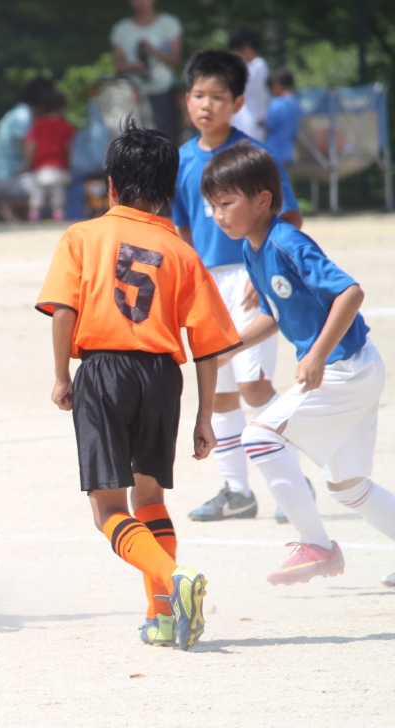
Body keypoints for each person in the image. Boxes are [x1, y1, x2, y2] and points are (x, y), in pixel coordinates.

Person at [36, 125, 241, 651]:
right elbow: (208, 344)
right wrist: (204, 417)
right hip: (161, 376)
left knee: (108, 509)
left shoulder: (82, 236)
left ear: (110, 185)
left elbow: (64, 310)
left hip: (104, 370)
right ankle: (164, 618)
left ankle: (173, 580)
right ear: (171, 190)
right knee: (149, 495)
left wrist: (61, 376)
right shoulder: (182, 252)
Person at [200, 145, 395, 588]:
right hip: (355, 368)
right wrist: (228, 348)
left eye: (226, 203)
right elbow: (274, 314)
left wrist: (317, 354)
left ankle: (317, 546)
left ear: (263, 200)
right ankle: (320, 543)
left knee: (259, 437)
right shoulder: (251, 249)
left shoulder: (287, 242)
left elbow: (349, 293)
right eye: (212, 205)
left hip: (346, 368)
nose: (218, 215)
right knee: (348, 486)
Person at [172, 50, 305, 524]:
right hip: (207, 283)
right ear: (186, 99)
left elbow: (290, 216)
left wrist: (260, 270)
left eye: (218, 96)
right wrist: (189, 283)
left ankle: (292, 478)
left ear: (238, 102)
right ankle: (236, 490)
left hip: (250, 280)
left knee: (253, 383)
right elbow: (183, 229)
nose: (206, 105)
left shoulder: (253, 156)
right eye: (198, 95)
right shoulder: (182, 160)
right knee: (220, 391)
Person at [110, 0, 183, 141]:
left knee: (166, 137)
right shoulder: (121, 29)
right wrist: (134, 67)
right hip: (134, 94)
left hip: (164, 91)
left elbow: (175, 59)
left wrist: (152, 50)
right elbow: (118, 66)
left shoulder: (169, 24)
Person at [0, 78, 54, 222]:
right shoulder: (23, 117)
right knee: (49, 187)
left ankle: (13, 206)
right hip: (5, 179)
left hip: (4, 177)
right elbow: (29, 154)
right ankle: (7, 204)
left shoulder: (20, 112)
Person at [20, 89, 74, 222]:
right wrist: (70, 164)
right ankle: (58, 212)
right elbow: (69, 148)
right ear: (62, 108)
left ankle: (34, 213)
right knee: (58, 192)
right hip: (58, 166)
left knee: (38, 192)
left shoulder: (38, 124)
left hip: (41, 167)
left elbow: (31, 145)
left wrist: (27, 164)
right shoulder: (65, 126)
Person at [229, 27, 269, 142]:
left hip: (251, 124)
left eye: (236, 51)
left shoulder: (259, 65)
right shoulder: (251, 66)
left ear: (247, 47)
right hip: (244, 123)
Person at [264, 68, 300, 169]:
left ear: (276, 85)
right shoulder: (295, 103)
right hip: (290, 153)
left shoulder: (276, 104)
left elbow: (269, 123)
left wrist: (261, 121)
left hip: (275, 153)